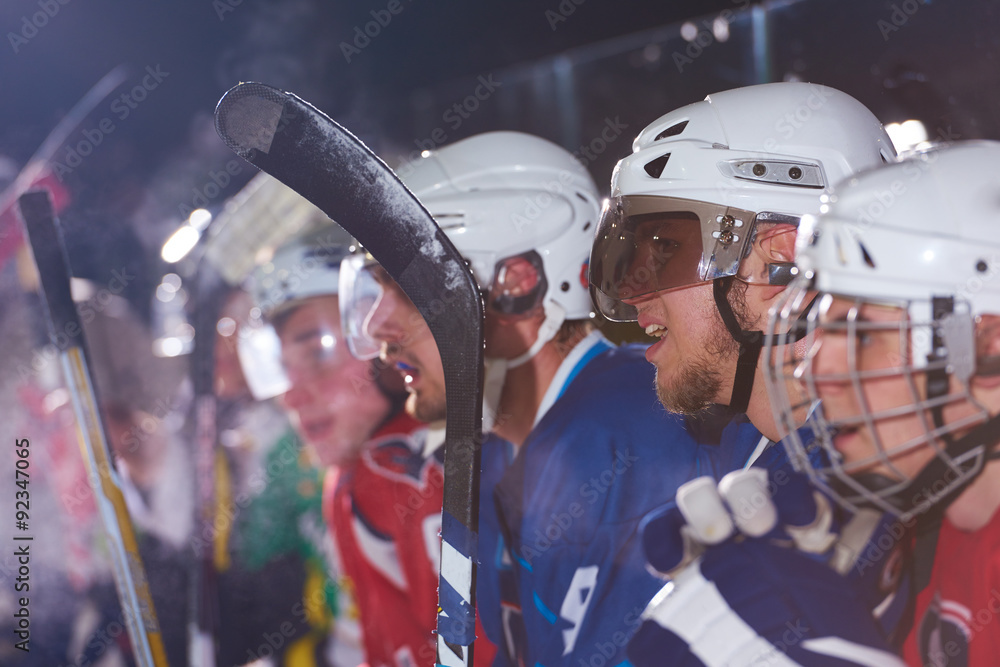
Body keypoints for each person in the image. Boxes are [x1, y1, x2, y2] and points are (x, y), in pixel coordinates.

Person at [340, 131, 763, 666]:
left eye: (404, 289)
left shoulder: (626, 429)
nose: (379, 326)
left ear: (515, 282)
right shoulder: (498, 450)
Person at [585, 82, 910, 664]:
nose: (637, 296)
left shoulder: (903, 473)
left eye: (664, 248)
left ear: (777, 266)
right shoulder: (761, 453)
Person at [764, 140, 1000, 666]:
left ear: (988, 349)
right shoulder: (939, 520)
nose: (813, 371)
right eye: (821, 329)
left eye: (864, 334)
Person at [246, 225, 497, 667]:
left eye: (317, 353)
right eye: (285, 368)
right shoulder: (356, 473)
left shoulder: (400, 468)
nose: (293, 396)